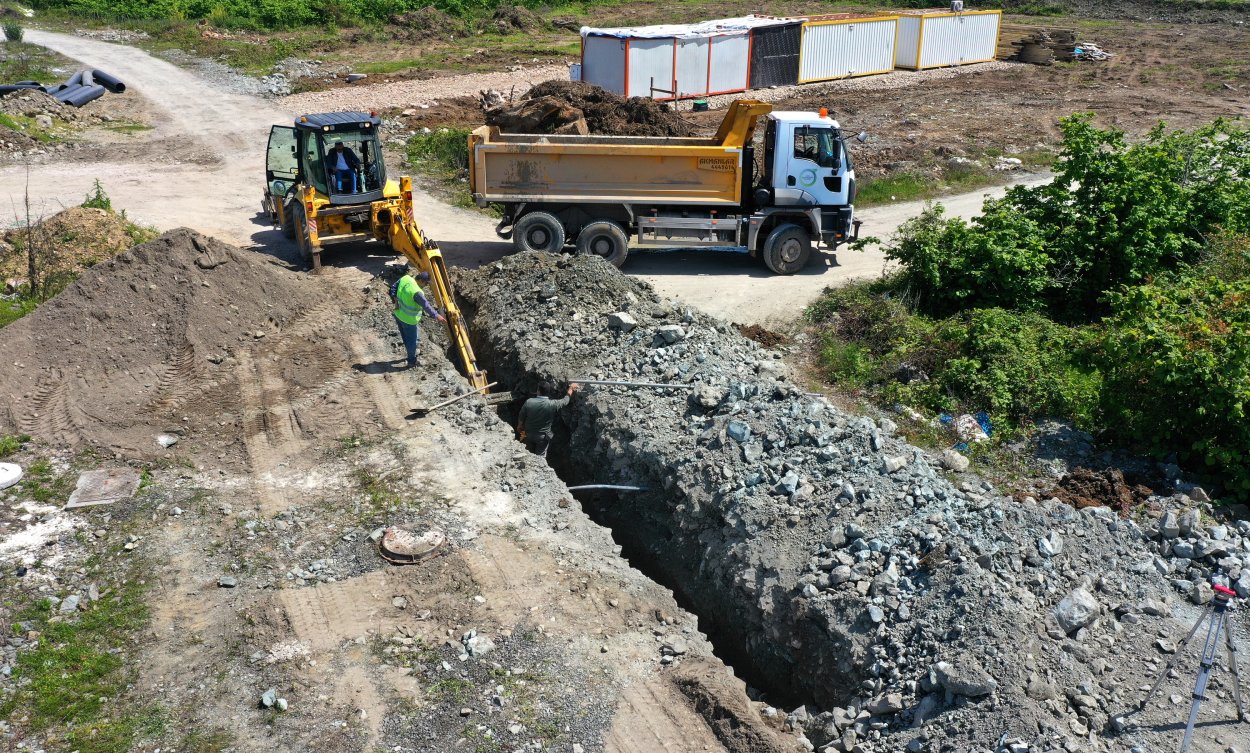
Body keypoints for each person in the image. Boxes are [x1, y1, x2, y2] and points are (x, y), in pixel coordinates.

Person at [390, 267, 445, 368]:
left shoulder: (406, 278)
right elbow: (426, 306)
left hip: (398, 315)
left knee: (406, 337)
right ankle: (412, 361)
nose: (427, 286)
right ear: (421, 281)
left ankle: (410, 353)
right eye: (426, 283)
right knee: (412, 340)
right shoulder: (417, 292)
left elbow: (393, 287)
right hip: (409, 320)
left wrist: (394, 299)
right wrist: (436, 315)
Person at [517, 381, 578, 457]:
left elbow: (521, 415)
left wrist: (519, 426)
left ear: (538, 391)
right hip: (543, 437)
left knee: (528, 453)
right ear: (548, 391)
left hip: (528, 433)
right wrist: (571, 389)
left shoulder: (529, 402)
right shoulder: (552, 404)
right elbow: (565, 401)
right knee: (540, 457)